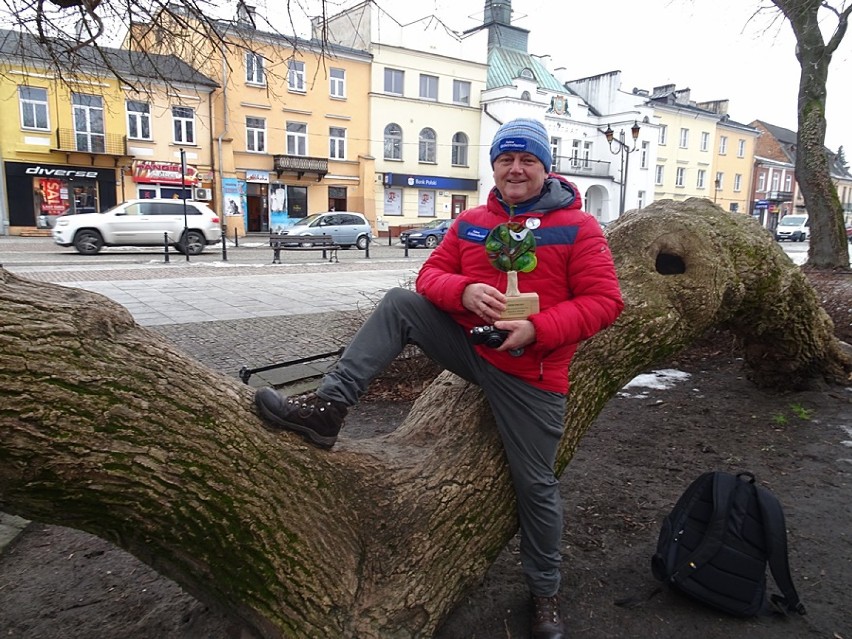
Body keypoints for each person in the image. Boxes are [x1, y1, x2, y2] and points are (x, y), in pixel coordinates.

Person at [254, 118, 624, 639]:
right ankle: (328, 410)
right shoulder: (472, 221)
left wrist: (536, 329)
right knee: (401, 304)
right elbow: (429, 276)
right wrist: (464, 293)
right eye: (506, 159)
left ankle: (545, 592)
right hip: (472, 348)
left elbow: (605, 302)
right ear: (494, 165)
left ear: (545, 168)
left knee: (536, 485)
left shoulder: (577, 227)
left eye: (528, 161)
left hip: (531, 370)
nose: (516, 169)